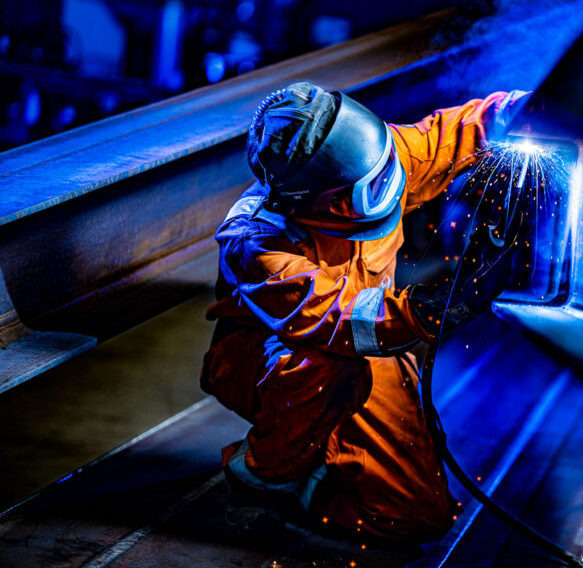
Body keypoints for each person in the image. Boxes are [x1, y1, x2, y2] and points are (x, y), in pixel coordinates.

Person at [200, 82, 528, 542]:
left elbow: (458, 131)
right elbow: (340, 318)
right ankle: (265, 477)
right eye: (368, 190)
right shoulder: (255, 242)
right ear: (315, 202)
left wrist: (532, 108)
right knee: (327, 365)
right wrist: (438, 307)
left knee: (414, 518)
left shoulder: (381, 156)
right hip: (272, 364)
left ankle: (321, 473)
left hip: (369, 357)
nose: (389, 189)